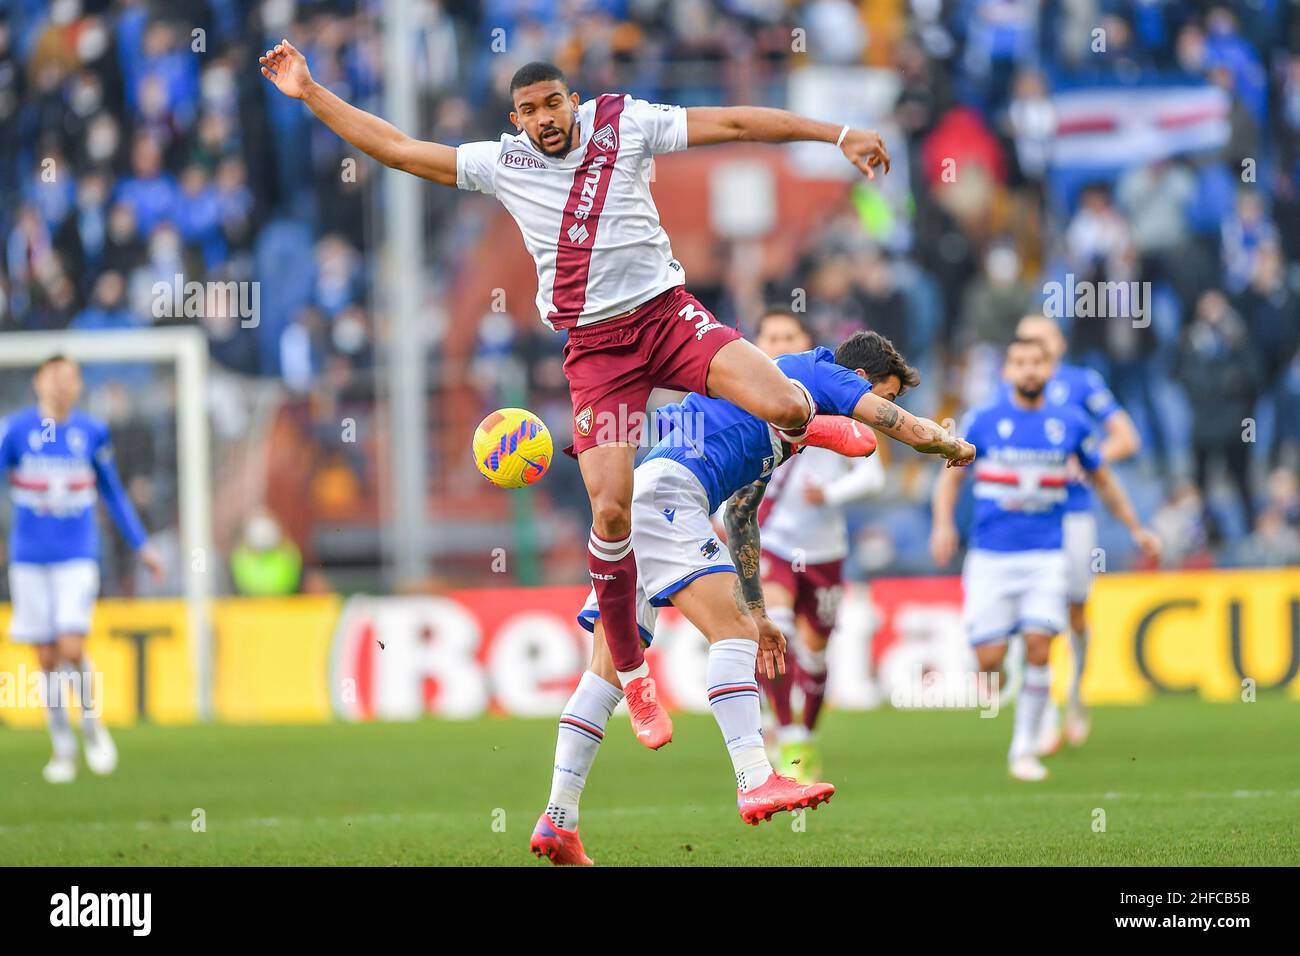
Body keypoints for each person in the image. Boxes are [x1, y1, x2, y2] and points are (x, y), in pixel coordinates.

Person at [259, 46, 892, 747]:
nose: (543, 119)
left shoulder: (628, 123)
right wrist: (312, 91)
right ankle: (633, 674)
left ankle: (812, 423)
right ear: (516, 119)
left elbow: (738, 122)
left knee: (781, 402)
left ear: (573, 101)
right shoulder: (505, 162)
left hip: (664, 314)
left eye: (552, 104)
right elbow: (404, 150)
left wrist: (836, 135)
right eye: (528, 111)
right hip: (596, 351)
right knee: (613, 508)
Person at [531, 334, 975, 864]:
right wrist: (952, 445)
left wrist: (760, 611)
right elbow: (893, 426)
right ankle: (755, 778)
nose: (888, 405)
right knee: (731, 634)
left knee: (607, 670)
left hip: (647, 494)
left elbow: (741, 517)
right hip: (671, 495)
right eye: (888, 393)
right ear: (861, 381)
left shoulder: (773, 405)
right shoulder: (820, 373)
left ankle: (560, 818)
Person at [930, 338, 1158, 782]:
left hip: (1045, 555)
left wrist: (1136, 527)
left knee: (1040, 645)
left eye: (1037, 363)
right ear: (1007, 371)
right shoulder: (985, 419)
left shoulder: (1070, 423)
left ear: (1049, 370)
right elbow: (951, 476)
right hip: (991, 556)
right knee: (990, 657)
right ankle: (996, 675)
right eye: (1020, 363)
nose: (1029, 371)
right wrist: (943, 524)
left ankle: (1023, 750)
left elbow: (1103, 479)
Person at [751, 313, 915, 782]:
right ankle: (787, 735)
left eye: (788, 338)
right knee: (775, 633)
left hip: (826, 551)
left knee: (816, 655)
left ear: (804, 347)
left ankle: (806, 734)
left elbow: (873, 473)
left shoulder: (834, 399)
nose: (780, 344)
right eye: (772, 338)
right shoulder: (753, 398)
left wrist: (831, 495)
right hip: (775, 544)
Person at [0, 356, 164, 783]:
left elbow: (113, 493)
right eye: (54, 377)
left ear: (77, 385)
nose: (61, 385)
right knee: (47, 657)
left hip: (77, 555)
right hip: (30, 558)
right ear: (38, 381)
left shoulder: (91, 432)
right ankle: (62, 745)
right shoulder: (15, 431)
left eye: (70, 378)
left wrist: (142, 545)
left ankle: (90, 723)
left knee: (72, 647)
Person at [1014, 314, 1140, 750]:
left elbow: (1127, 437)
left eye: (1040, 340)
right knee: (1031, 616)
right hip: (1026, 518)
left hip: (1074, 514)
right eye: (1024, 341)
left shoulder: (1082, 383)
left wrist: (1086, 458)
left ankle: (1076, 696)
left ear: (1059, 345)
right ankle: (1043, 714)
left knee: (1075, 613)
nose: (1032, 349)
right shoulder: (1010, 388)